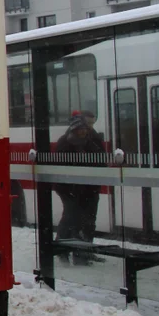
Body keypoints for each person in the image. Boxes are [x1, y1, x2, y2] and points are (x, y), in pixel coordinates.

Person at [54, 111, 105, 263]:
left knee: (87, 220)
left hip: (88, 187)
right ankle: (65, 248)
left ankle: (82, 249)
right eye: (85, 126)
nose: (87, 129)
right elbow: (61, 167)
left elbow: (101, 160)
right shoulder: (66, 142)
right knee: (72, 218)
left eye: (89, 125)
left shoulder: (92, 140)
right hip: (71, 189)